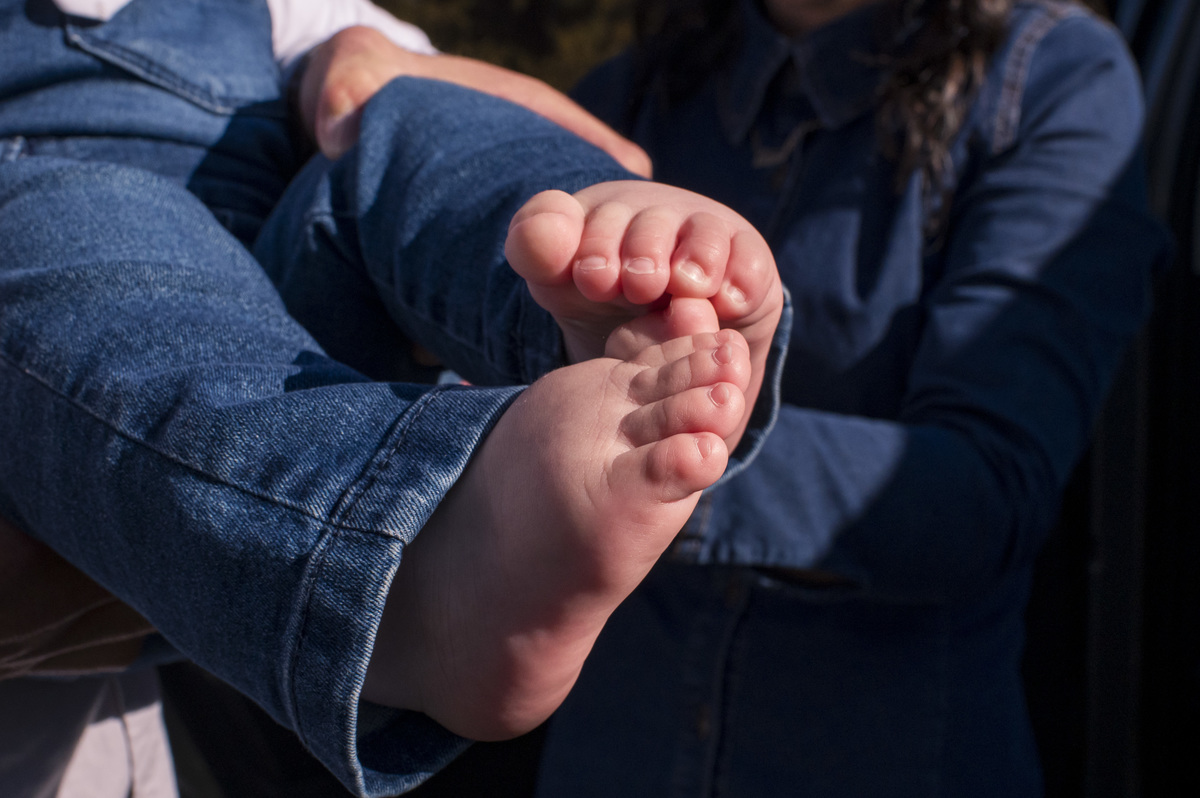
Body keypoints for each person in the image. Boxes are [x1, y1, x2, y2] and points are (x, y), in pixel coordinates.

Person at [0, 1, 786, 796]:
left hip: (279, 307)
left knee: (404, 118)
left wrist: (353, 61)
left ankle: (583, 308)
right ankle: (413, 567)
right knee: (70, 231)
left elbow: (340, 45)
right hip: (118, 358)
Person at [493, 0, 1170, 795]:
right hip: (612, 758)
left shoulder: (1050, 79)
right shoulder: (632, 94)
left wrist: (636, 456)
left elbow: (986, 492)